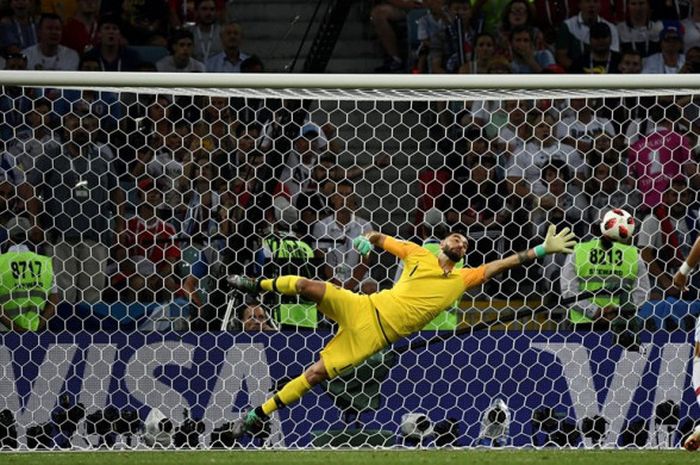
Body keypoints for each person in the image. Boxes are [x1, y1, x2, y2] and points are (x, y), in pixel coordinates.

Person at [226, 225, 576, 437]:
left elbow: (503, 263)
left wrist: (543, 249)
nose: (461, 241)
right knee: (308, 285)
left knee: (316, 373)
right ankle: (257, 285)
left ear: (462, 255)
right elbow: (378, 236)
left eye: (465, 242)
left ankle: (257, 416)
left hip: (373, 337)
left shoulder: (461, 279)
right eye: (456, 237)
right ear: (441, 244)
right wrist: (367, 241)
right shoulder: (417, 254)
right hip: (364, 305)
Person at [560, 208, 651, 326]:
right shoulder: (633, 255)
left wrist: (595, 311)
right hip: (622, 326)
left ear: (593, 229)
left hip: (584, 325)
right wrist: (618, 311)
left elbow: (568, 290)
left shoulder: (578, 251)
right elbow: (643, 293)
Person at [0, 217, 59, 332]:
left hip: (4, 332)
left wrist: (16, 328)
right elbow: (54, 300)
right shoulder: (44, 263)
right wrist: (38, 325)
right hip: (35, 331)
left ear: (8, 237)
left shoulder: (1, 262)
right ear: (29, 236)